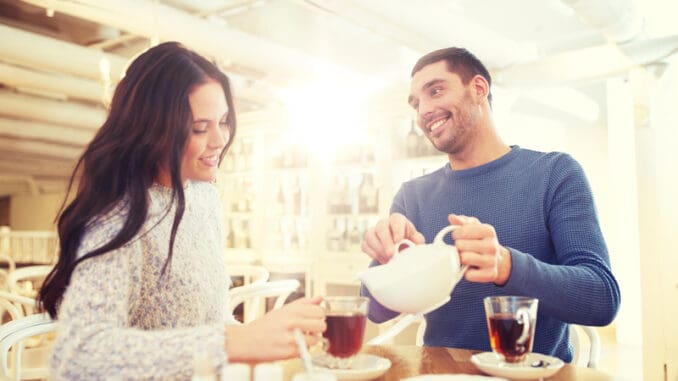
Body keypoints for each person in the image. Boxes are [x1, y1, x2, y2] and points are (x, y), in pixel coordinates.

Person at [37, 42, 325, 380]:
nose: (219, 140)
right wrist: (234, 342)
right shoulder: (118, 217)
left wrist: (262, 336)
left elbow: (213, 322)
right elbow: (79, 356)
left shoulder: (204, 197)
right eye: (199, 128)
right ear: (153, 131)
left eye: (223, 121)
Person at [360, 47, 620, 362]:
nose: (424, 110)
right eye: (416, 103)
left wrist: (507, 265)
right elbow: (371, 309)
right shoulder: (412, 196)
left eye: (436, 91)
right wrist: (391, 260)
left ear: (479, 89)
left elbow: (602, 299)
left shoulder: (555, 174)